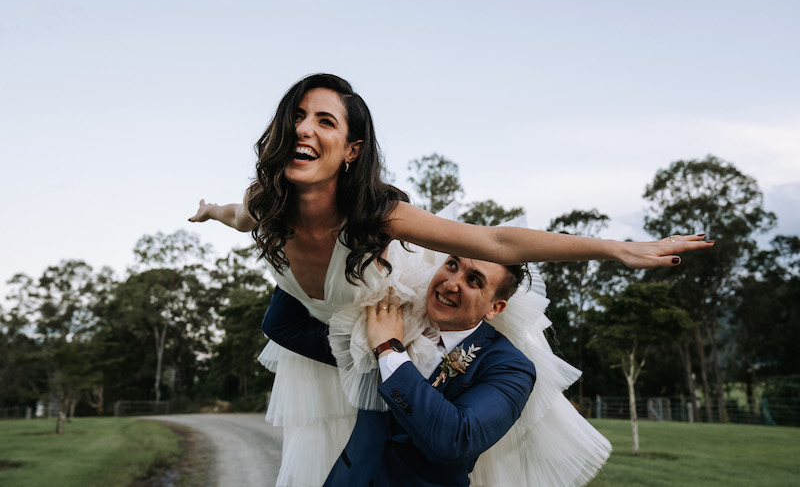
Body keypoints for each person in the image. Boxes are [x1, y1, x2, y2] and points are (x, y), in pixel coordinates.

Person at [189, 73, 712, 485]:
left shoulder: (378, 220)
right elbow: (243, 217)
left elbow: (496, 242)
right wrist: (211, 210)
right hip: (344, 391)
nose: (305, 128)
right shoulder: (270, 207)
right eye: (299, 116)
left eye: (326, 121)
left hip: (396, 344)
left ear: (352, 150)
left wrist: (615, 249)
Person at [264, 255, 537, 487]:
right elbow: (284, 326)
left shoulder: (510, 367)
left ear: (495, 308)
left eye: (474, 280)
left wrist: (388, 350)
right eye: (452, 265)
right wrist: (306, 251)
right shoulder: (392, 313)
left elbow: (455, 440)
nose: (451, 283)